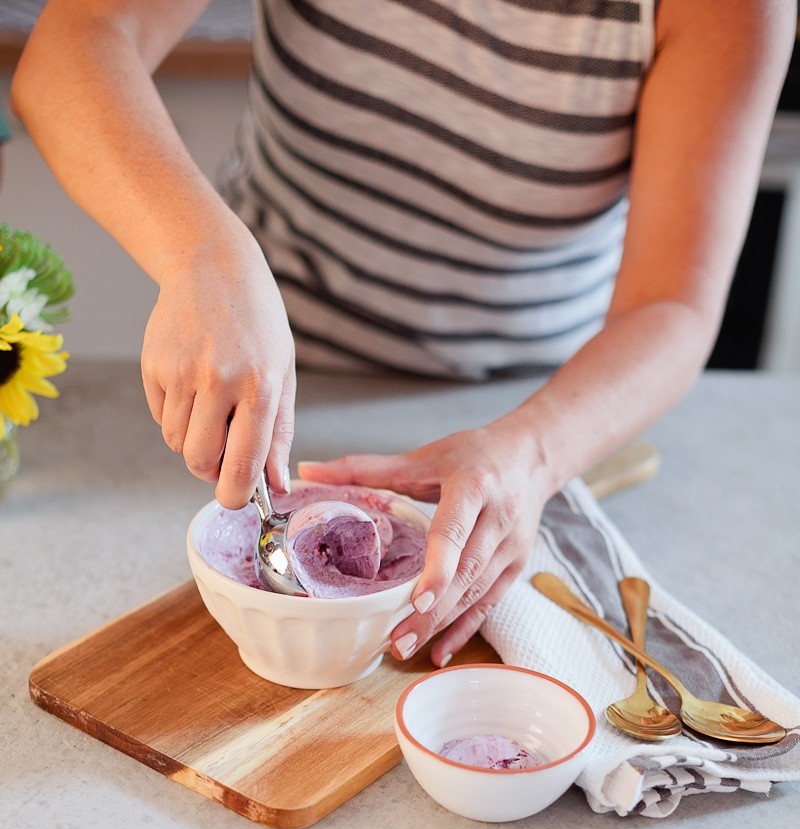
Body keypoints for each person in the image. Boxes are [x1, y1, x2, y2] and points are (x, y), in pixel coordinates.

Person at [11, 0, 794, 667]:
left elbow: (672, 307)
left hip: (537, 408)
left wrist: (533, 454)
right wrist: (200, 253)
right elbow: (76, 46)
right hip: (273, 373)